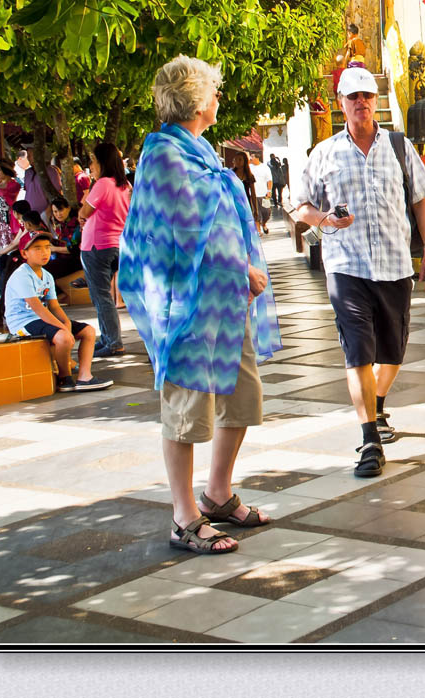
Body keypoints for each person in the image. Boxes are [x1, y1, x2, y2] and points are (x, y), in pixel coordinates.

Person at [118, 55, 281, 555]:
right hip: (189, 310)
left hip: (228, 305)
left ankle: (217, 494)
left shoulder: (200, 148)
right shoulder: (166, 155)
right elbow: (186, 230)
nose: (217, 99)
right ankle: (183, 516)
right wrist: (242, 269)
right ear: (194, 100)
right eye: (212, 90)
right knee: (188, 410)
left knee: (240, 398)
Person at [287, 65, 425, 478]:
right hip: (346, 267)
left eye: (367, 96)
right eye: (352, 97)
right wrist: (325, 219)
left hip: (393, 266)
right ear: (341, 104)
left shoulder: (398, 146)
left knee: (393, 352)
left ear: (375, 101)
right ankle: (369, 438)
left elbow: (422, 200)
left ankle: (379, 404)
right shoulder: (325, 153)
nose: (361, 104)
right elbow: (299, 207)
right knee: (358, 352)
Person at [4, 233, 112, 392]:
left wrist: (66, 322)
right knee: (64, 338)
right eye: (37, 248)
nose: (44, 252)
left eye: (47, 247)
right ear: (24, 253)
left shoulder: (47, 275)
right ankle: (64, 377)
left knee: (88, 331)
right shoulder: (22, 275)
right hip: (23, 322)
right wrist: (62, 328)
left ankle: (84, 376)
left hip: (40, 319)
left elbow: (53, 306)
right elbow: (38, 308)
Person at [79, 142, 131, 357]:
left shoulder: (102, 184)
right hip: (119, 244)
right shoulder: (125, 185)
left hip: (96, 245)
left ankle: (113, 342)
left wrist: (84, 207)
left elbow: (85, 210)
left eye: (93, 160)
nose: (91, 165)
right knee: (105, 296)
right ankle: (108, 337)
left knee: (101, 296)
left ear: (102, 162)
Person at [46, 196, 84, 280]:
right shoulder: (62, 225)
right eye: (55, 211)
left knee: (46, 271)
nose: (58, 214)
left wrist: (54, 249)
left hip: (75, 261)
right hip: (63, 259)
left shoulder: (76, 225)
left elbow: (74, 249)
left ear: (68, 208)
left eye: (61, 210)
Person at [0, 158, 21, 252]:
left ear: (6, 170)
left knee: (8, 248)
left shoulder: (15, 185)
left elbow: (4, 194)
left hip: (6, 220)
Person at [23, 156, 62, 225]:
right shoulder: (27, 172)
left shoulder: (51, 171)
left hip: (45, 214)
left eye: (30, 154)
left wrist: (47, 213)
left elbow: (57, 194)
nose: (28, 157)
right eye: (28, 155)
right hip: (29, 215)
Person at [231, 152, 260, 233]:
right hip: (233, 204)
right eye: (235, 159)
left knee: (246, 227)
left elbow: (253, 194)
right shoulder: (230, 175)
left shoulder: (250, 176)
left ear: (245, 161)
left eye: (240, 159)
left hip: (246, 204)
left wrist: (255, 209)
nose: (237, 161)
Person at [248, 152, 272, 235]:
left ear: (257, 158)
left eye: (252, 157)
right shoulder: (249, 168)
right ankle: (258, 230)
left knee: (267, 212)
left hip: (264, 194)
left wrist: (269, 191)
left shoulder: (265, 167)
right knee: (255, 213)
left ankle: (264, 223)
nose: (251, 158)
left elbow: (269, 180)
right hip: (253, 195)